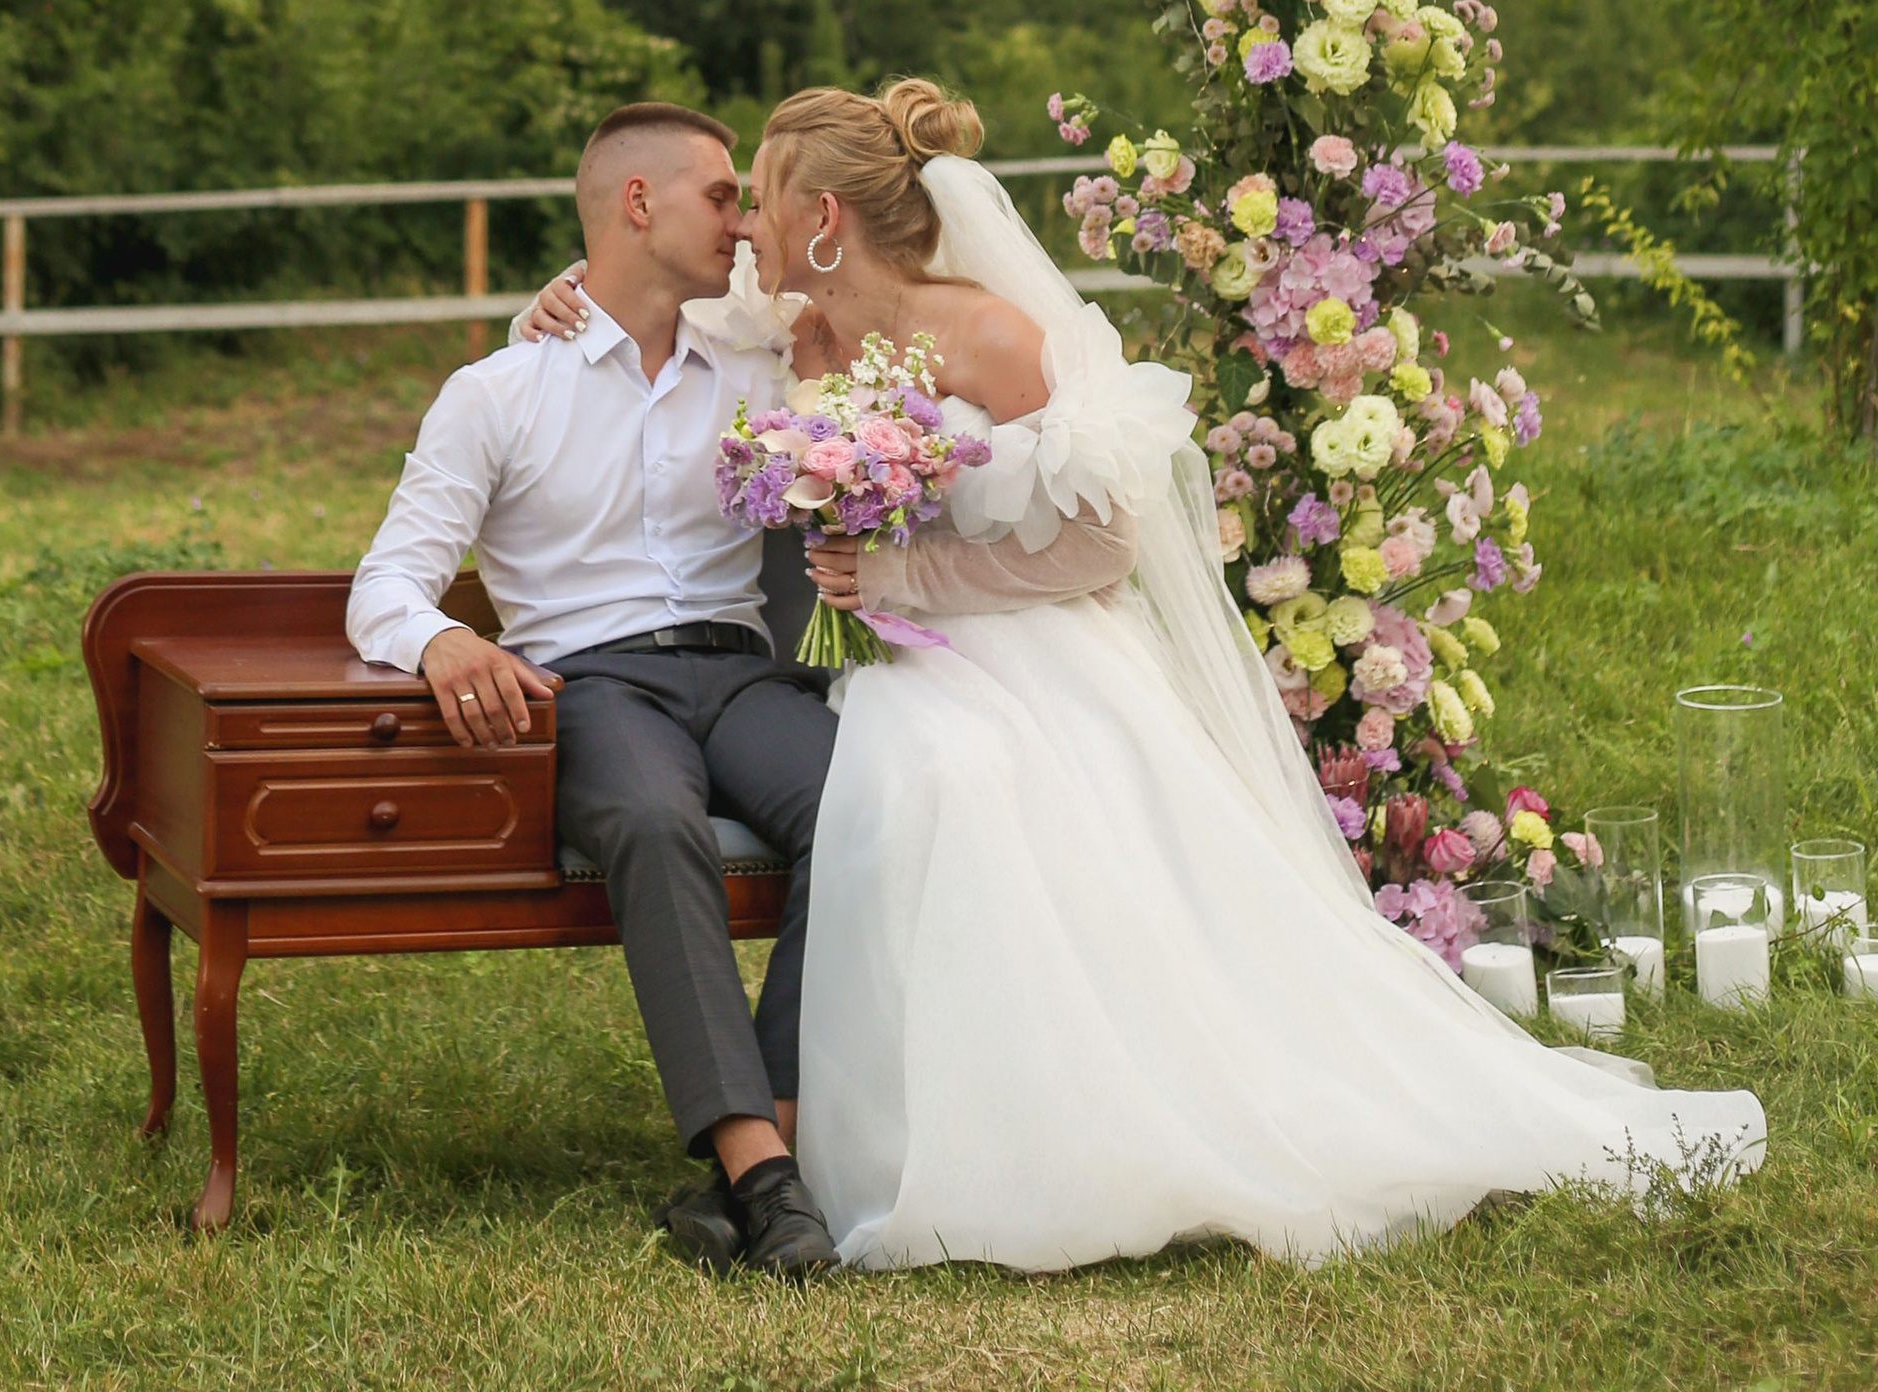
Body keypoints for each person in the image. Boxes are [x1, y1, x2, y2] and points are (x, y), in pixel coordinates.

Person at [740, 76, 1767, 1271]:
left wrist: (906, 576)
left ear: (822, 214)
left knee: (957, 777)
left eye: (758, 198)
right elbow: (666, 303)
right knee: (903, 773)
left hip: (1027, 643)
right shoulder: (797, 326)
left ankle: (1082, 1125)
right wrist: (570, 298)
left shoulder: (988, 334)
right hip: (903, 654)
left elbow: (1103, 546)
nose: (745, 226)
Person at [346, 100, 841, 1274]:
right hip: (596, 686)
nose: (741, 221)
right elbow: (385, 582)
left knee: (867, 801)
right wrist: (442, 643)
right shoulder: (499, 391)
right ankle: (766, 1176)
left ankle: (757, 1162)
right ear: (637, 203)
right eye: (719, 196)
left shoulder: (758, 373)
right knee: (653, 824)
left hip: (743, 673)